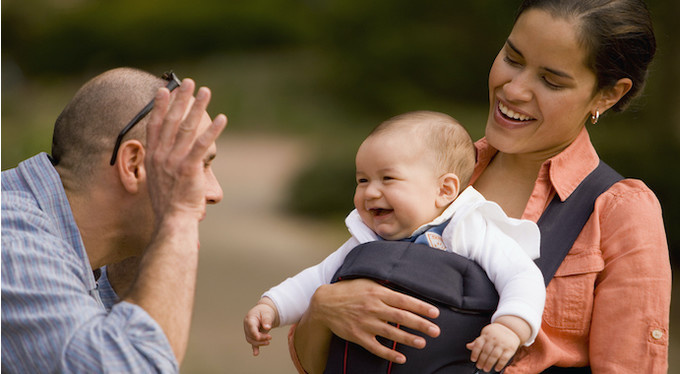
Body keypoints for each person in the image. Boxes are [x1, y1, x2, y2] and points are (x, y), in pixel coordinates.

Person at [290, 0, 672, 373]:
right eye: (512, 58)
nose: (515, 90)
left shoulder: (619, 211)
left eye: (551, 80)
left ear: (609, 94)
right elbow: (314, 362)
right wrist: (324, 308)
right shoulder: (423, 178)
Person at [244, 111, 546, 372]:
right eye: (362, 180)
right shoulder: (366, 240)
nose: (371, 192)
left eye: (387, 179)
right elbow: (317, 279)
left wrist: (510, 326)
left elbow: (520, 274)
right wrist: (271, 306)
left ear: (445, 190)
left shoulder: (469, 228)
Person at [1, 67, 227, 373]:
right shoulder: (16, 246)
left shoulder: (56, 244)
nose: (215, 192)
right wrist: (176, 221)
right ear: (133, 165)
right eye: (194, 166)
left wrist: (134, 267)